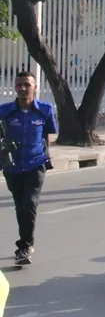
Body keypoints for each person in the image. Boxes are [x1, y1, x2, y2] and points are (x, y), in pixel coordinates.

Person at [0, 72, 57, 265]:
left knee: (29, 203)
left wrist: (47, 155)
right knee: (21, 205)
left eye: (27, 84)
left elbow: (47, 134)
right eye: (19, 85)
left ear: (34, 87)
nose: (22, 88)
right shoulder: (4, 111)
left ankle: (24, 247)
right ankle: (26, 240)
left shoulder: (45, 110)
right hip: (12, 166)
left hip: (36, 163)